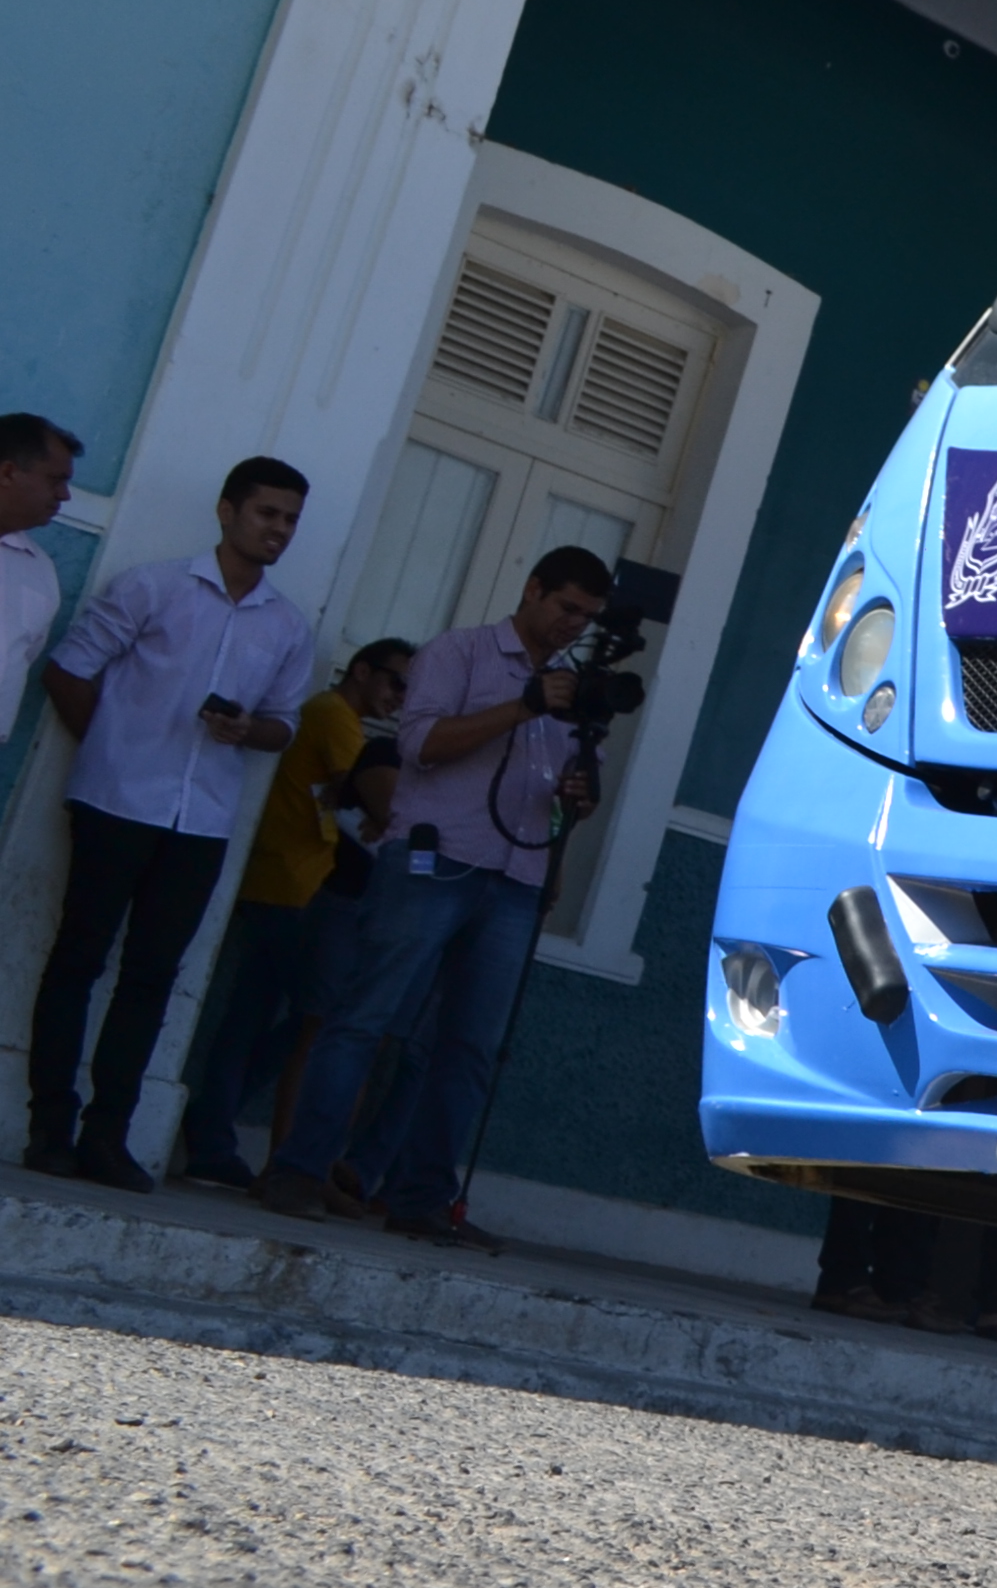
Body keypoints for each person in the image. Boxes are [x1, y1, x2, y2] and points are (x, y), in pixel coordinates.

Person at [262, 547, 609, 1245]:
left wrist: (580, 794)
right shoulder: (460, 653)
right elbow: (419, 744)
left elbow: (566, 792)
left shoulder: (573, 688)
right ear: (533, 588)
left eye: (589, 617)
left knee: (470, 1045)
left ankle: (421, 1199)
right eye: (568, 607)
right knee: (365, 1016)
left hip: (515, 878)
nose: (575, 625)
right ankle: (298, 1170)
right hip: (434, 860)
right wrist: (522, 706)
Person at [26, 458, 317, 1190]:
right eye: (266, 514)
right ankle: (49, 1129)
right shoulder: (153, 586)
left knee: (153, 979)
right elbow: (67, 668)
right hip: (115, 803)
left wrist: (248, 731)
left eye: (290, 519)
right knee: (77, 961)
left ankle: (107, 1136)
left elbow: (284, 726)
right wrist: (109, 752)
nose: (278, 529)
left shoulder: (286, 625)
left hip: (202, 822)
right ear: (227, 511)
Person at [165, 639, 412, 1194]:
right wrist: (375, 810)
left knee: (273, 1013)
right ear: (364, 670)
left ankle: (211, 1126)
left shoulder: (332, 716)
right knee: (308, 1019)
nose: (402, 698)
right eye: (397, 683)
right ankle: (212, 1132)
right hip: (290, 879)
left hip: (294, 876)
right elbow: (371, 795)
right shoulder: (333, 714)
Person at [0, 415, 81, 719]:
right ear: (8, 473)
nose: (64, 495)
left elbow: (22, 656)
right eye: (55, 479)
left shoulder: (39, 572)